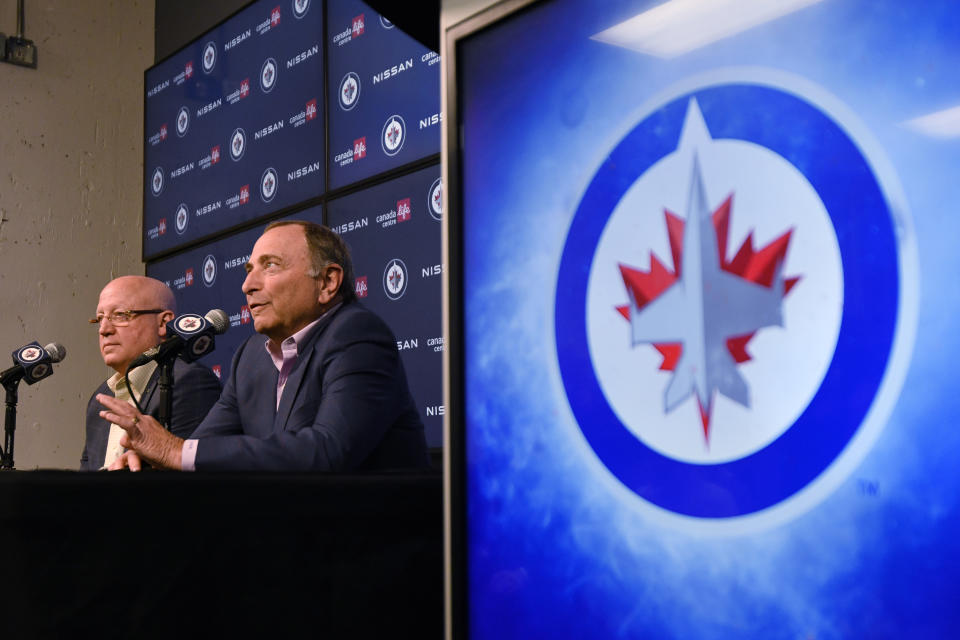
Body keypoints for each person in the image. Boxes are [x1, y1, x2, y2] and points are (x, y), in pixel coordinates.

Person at [98, 221, 429, 472]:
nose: (247, 285)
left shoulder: (357, 335)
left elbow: (330, 450)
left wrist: (172, 450)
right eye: (248, 270)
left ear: (327, 282)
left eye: (270, 266)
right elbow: (197, 448)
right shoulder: (252, 356)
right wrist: (152, 462)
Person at [81, 276, 221, 470]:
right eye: (100, 318)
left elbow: (192, 479)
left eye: (121, 315)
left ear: (164, 322)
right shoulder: (100, 399)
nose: (104, 330)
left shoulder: (188, 382)